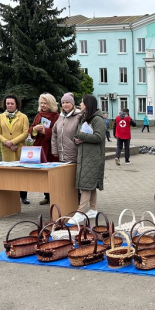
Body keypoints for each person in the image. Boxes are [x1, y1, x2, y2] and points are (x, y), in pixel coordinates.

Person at [70, 95, 106, 223]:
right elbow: (83, 135)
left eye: (82, 102)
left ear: (88, 104)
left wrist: (81, 135)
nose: (80, 104)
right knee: (90, 184)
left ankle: (80, 212)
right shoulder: (85, 118)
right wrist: (77, 139)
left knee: (86, 185)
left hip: (93, 157)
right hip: (85, 156)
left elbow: (99, 137)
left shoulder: (97, 119)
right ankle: (93, 209)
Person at [0, 94, 30, 204]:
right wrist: (7, 143)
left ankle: (23, 196)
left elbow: (25, 132)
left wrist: (13, 142)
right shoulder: (0, 117)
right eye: (7, 103)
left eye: (12, 103)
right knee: (9, 173)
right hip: (7, 149)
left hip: (19, 148)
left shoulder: (23, 117)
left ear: (16, 104)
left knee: (22, 174)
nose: (9, 105)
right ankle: (11, 197)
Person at [29, 93, 60, 204]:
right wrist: (34, 129)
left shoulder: (56, 116)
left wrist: (44, 131)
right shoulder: (39, 115)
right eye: (41, 103)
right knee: (42, 174)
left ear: (50, 103)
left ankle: (55, 196)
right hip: (40, 147)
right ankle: (47, 196)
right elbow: (31, 128)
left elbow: (57, 131)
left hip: (51, 148)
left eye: (45, 103)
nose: (43, 105)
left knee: (52, 173)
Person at [51, 92, 81, 164]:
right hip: (62, 156)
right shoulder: (60, 117)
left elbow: (82, 133)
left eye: (67, 102)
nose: (65, 104)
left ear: (72, 103)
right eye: (63, 102)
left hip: (75, 155)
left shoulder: (79, 116)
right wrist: (55, 150)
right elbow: (54, 134)